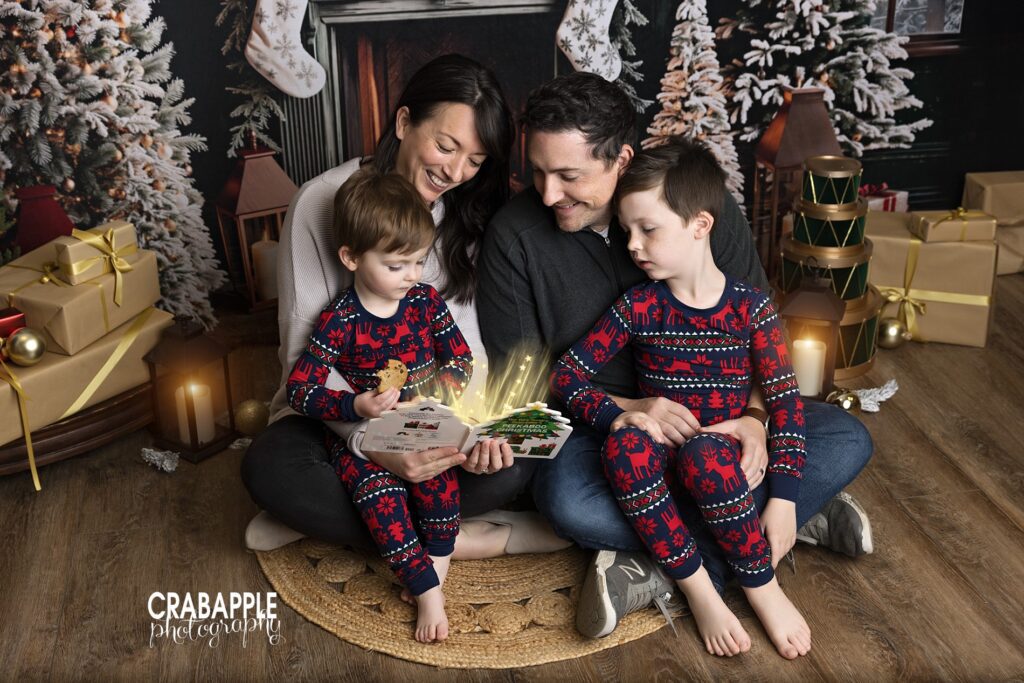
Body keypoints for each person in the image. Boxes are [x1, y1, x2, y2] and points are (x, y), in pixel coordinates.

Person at [477, 71, 873, 639]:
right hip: (603, 431)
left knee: (847, 437)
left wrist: (757, 422)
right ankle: (767, 529)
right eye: (536, 172)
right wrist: (631, 409)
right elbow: (529, 391)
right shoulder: (514, 238)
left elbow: (765, 345)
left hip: (726, 417)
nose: (548, 194)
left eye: (569, 175)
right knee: (566, 503)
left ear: (621, 159)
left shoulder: (694, 202)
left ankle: (668, 557)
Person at [242, 54, 567, 560]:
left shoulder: (469, 215)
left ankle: (334, 522)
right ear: (403, 122)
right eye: (445, 146)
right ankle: (461, 538)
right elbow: (300, 368)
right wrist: (374, 444)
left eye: (475, 161)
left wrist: (475, 438)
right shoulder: (321, 202)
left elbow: (468, 352)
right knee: (269, 469)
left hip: (432, 419)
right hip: (334, 421)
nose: (455, 172)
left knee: (515, 465)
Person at [550, 138, 811, 658]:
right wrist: (622, 416)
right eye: (628, 231)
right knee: (622, 448)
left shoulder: (751, 308)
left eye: (649, 229)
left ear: (701, 224)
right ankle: (699, 588)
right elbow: (567, 378)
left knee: (709, 455)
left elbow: (786, 402)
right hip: (654, 469)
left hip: (722, 464)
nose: (633, 245)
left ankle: (762, 586)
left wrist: (783, 499)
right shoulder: (640, 306)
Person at [286, 168, 474, 642]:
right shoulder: (340, 318)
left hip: (426, 427)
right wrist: (356, 405)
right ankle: (427, 590)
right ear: (351, 257)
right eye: (396, 266)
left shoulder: (425, 302)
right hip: (367, 443)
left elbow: (461, 358)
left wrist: (441, 395)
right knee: (381, 502)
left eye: (418, 262)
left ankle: (437, 563)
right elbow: (301, 390)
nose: (411, 276)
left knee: (442, 485)